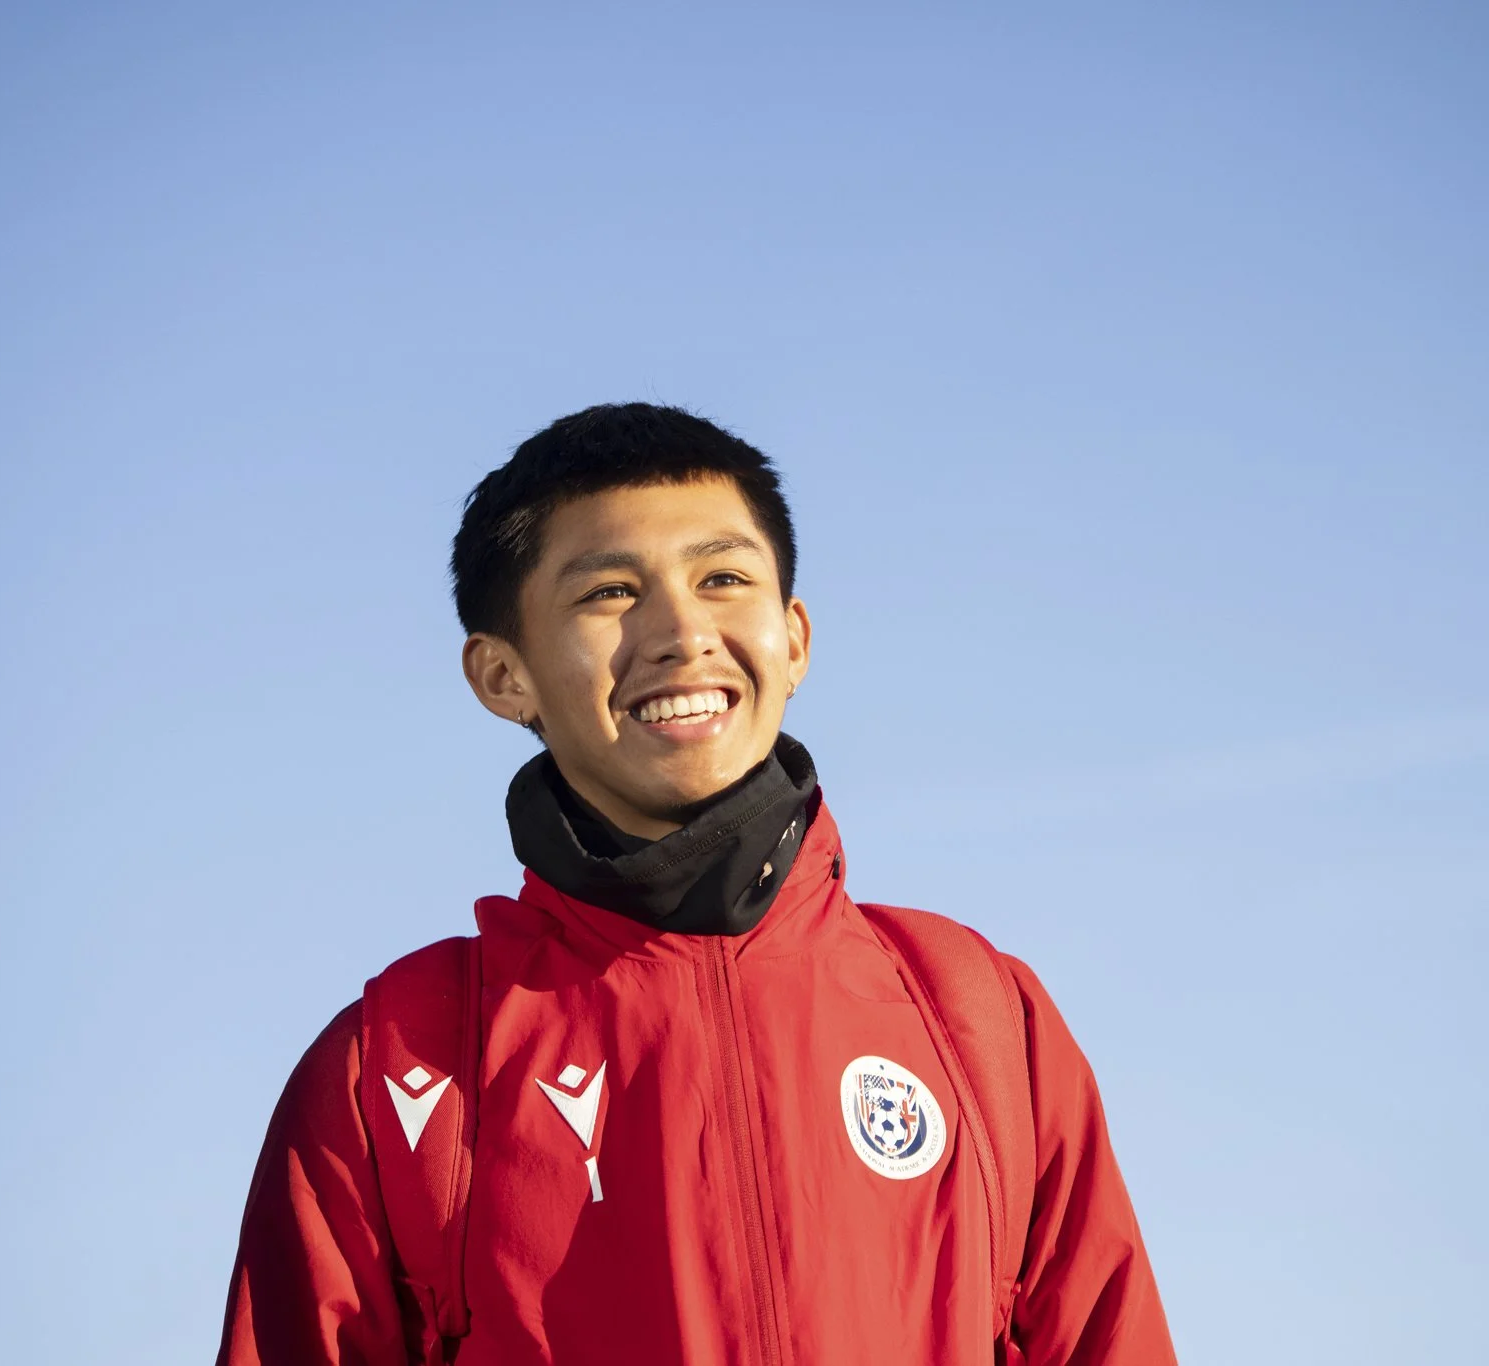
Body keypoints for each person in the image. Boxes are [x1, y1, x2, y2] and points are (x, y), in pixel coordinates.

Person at [216, 403, 1176, 1365]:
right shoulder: (396, 1066)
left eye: (723, 578)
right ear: (504, 676)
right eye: (609, 593)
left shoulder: (976, 1014)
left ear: (794, 639)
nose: (682, 631)